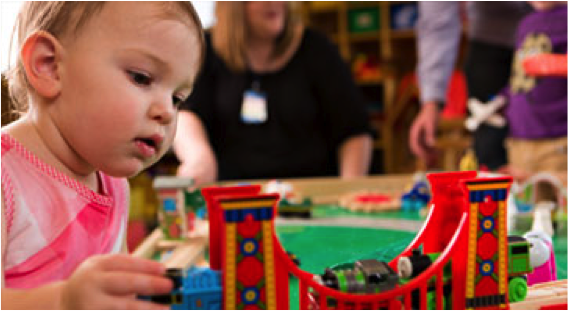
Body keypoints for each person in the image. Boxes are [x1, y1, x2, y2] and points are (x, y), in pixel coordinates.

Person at [0, 2, 203, 309]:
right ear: (49, 65)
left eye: (177, 99)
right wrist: (63, 301)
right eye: (141, 78)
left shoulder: (113, 182)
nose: (166, 112)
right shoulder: (5, 178)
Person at [174, 1, 373, 185]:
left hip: (309, 195)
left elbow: (354, 130)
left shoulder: (317, 49)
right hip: (233, 194)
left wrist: (349, 189)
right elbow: (187, 112)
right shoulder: (206, 50)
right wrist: (198, 157)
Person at [410, 2, 532, 170]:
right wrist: (432, 101)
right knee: (490, 152)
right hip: (491, 43)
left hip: (556, 35)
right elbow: (437, 22)